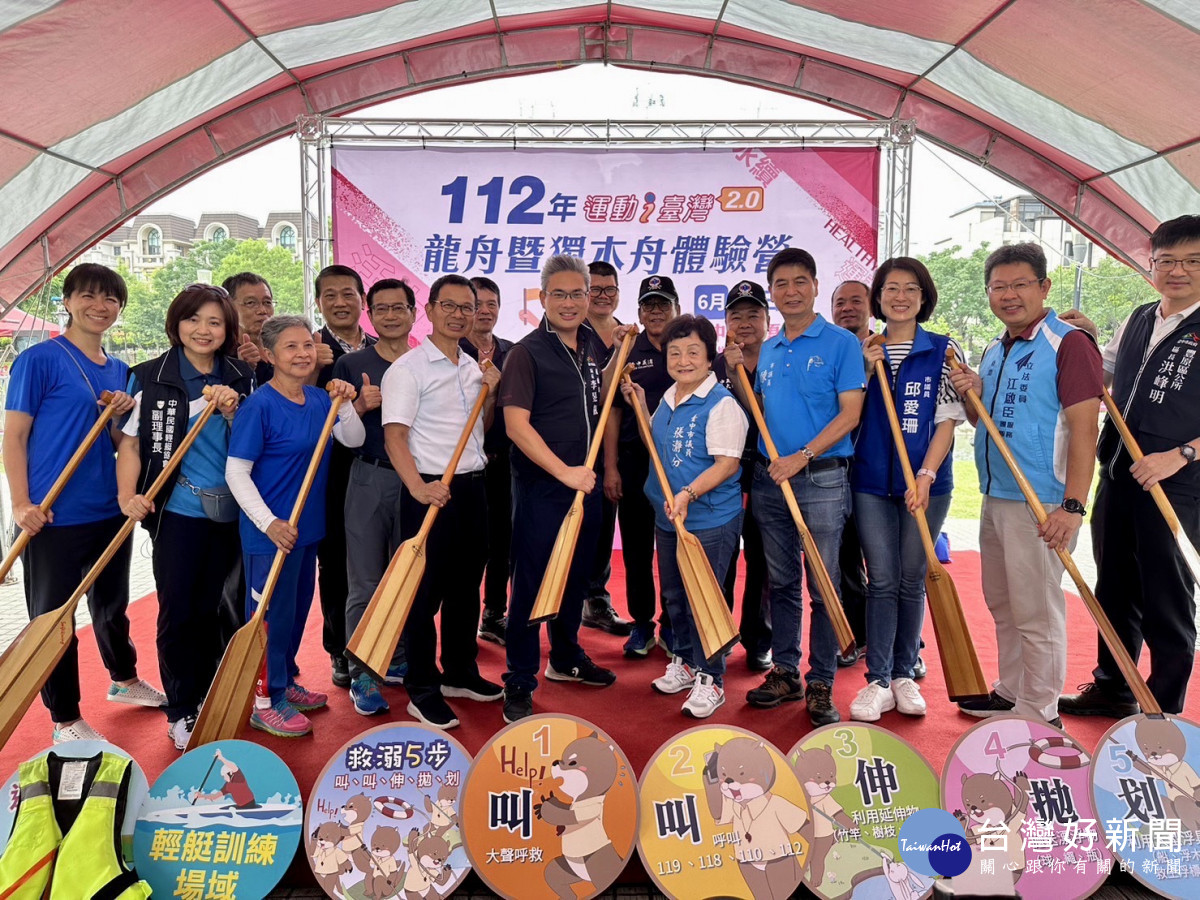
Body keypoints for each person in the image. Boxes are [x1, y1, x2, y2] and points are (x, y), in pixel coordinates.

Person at [3, 263, 162, 744]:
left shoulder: (120, 371)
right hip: (52, 512)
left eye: (111, 299)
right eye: (89, 296)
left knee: (112, 606)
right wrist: (20, 504)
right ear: (68, 302)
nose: (100, 306)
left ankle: (124, 679)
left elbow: (120, 442)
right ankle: (65, 718)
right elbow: (13, 435)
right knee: (54, 618)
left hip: (108, 509)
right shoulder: (40, 359)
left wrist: (121, 414)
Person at [949, 243, 1102, 726]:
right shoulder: (996, 348)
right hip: (997, 495)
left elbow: (1084, 429)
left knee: (1037, 610)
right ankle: (1011, 691)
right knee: (1003, 601)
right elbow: (985, 422)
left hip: (1043, 501)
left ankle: (1040, 711)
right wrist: (972, 391)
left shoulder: (1069, 343)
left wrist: (1072, 506)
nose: (1009, 295)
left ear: (1044, 287)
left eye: (1020, 285)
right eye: (999, 287)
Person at [1059, 215, 1200, 718]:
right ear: (1151, 263)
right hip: (1117, 475)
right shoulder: (1141, 315)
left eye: (1191, 261)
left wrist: (1181, 454)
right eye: (1167, 261)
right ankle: (1114, 684)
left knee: (1167, 593)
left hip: (1178, 487)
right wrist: (1081, 340)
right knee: (1115, 587)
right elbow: (1107, 372)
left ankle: (1163, 706)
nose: (1177, 271)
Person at [724, 248, 864, 726]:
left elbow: (850, 414)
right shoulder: (772, 348)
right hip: (768, 480)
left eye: (799, 281)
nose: (790, 291)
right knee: (780, 583)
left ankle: (822, 680)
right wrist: (736, 371)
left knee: (823, 586)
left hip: (821, 478)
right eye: (780, 284)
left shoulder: (841, 343)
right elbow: (758, 410)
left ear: (815, 285)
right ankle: (786, 671)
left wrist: (800, 457)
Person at [116, 284, 253, 750]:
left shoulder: (242, 375)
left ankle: (215, 695)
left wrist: (235, 415)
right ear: (176, 324)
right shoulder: (150, 376)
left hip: (230, 510)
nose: (203, 329)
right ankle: (181, 708)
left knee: (219, 608)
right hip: (176, 510)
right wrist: (127, 495)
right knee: (179, 611)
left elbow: (256, 443)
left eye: (215, 322)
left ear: (227, 330)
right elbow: (131, 443)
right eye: (194, 319)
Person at [499, 255, 633, 723]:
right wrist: (565, 472)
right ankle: (518, 678)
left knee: (576, 577)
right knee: (532, 584)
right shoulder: (526, 352)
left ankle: (565, 656)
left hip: (587, 486)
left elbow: (603, 402)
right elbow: (517, 426)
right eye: (561, 294)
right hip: (545, 489)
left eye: (580, 293)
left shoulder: (592, 347)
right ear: (543, 297)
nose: (572, 302)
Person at [226, 315, 364, 737]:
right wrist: (268, 524)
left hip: (308, 530)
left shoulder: (321, 400)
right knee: (268, 618)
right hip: (270, 536)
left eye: (307, 345)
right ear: (269, 355)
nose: (302, 353)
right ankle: (264, 699)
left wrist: (346, 402)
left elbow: (354, 439)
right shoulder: (259, 406)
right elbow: (236, 473)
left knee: (296, 613)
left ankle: (284, 682)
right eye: (290, 347)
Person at [382, 275, 503, 730]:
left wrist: (489, 390)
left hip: (472, 487)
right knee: (423, 593)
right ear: (429, 311)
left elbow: (481, 427)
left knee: (466, 586)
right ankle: (422, 687)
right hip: (429, 490)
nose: (458, 315)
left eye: (466, 307)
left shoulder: (473, 366)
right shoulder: (408, 369)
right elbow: (394, 435)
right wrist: (417, 487)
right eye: (448, 306)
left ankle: (460, 671)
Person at [848, 259, 965, 722]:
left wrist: (926, 474)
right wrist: (862, 368)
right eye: (891, 288)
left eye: (910, 288)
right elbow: (844, 410)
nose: (900, 296)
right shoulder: (862, 349)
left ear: (923, 297)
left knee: (911, 578)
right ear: (877, 298)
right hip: (872, 483)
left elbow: (947, 421)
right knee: (882, 579)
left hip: (928, 485)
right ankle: (877, 680)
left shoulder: (942, 349)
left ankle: (903, 675)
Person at [624, 315, 748, 717]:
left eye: (693, 351)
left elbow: (727, 464)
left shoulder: (722, 404)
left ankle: (711, 678)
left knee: (705, 600)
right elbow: (656, 444)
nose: (683, 360)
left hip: (709, 520)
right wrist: (642, 407)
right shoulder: (670, 397)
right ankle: (684, 660)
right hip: (668, 517)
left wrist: (689, 493)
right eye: (675, 352)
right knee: (675, 597)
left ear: (710, 356)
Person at [333, 278, 415, 716]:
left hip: (418, 480)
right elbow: (339, 433)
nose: (389, 315)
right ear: (370, 313)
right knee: (364, 580)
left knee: (406, 575)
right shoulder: (352, 365)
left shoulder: (428, 361)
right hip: (369, 478)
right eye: (380, 308)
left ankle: (398, 654)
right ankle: (362, 670)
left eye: (398, 308)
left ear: (413, 313)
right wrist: (361, 406)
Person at [605, 275, 679, 657]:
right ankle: (641, 624)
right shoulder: (629, 349)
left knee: (673, 546)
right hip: (635, 463)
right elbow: (612, 412)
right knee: (635, 548)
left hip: (678, 463)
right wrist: (611, 466)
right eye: (648, 305)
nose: (655, 312)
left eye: (662, 304)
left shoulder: (688, 346)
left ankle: (672, 622)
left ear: (676, 309)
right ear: (638, 312)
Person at [312, 265, 376, 690]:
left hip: (378, 469)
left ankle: (377, 644)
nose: (340, 302)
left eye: (348, 294)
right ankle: (338, 648)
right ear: (319, 302)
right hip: (331, 474)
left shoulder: (380, 347)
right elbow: (304, 417)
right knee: (335, 563)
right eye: (330, 295)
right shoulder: (307, 350)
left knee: (375, 563)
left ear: (362, 300)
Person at [712, 280, 773, 672]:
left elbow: (776, 417)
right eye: (737, 315)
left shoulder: (780, 359)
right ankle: (718, 637)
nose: (746, 322)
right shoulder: (712, 364)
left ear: (768, 320)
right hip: (723, 479)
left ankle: (758, 640)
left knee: (764, 562)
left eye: (754, 314)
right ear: (726, 322)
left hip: (768, 475)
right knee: (721, 559)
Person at [461, 276, 514, 647]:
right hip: (464, 467)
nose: (485, 310)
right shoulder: (454, 350)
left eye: (492, 303)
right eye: (477, 303)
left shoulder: (512, 351)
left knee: (504, 542)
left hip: (506, 463)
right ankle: (458, 624)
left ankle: (494, 614)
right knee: (471, 546)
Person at [582, 261, 633, 637]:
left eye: (609, 290)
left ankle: (596, 600)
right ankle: (561, 599)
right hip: (574, 447)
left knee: (603, 527)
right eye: (594, 289)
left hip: (618, 446)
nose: (602, 296)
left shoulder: (630, 332)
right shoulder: (565, 328)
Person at [830, 280, 872, 667]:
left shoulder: (885, 348)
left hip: (882, 475)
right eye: (840, 302)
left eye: (855, 301)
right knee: (845, 561)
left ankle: (903, 646)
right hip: (837, 475)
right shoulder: (829, 353)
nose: (847, 308)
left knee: (889, 566)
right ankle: (855, 636)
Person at [226, 272, 275, 385]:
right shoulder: (222, 357)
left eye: (267, 302)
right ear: (229, 307)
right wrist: (242, 368)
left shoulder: (281, 349)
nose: (262, 310)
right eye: (251, 303)